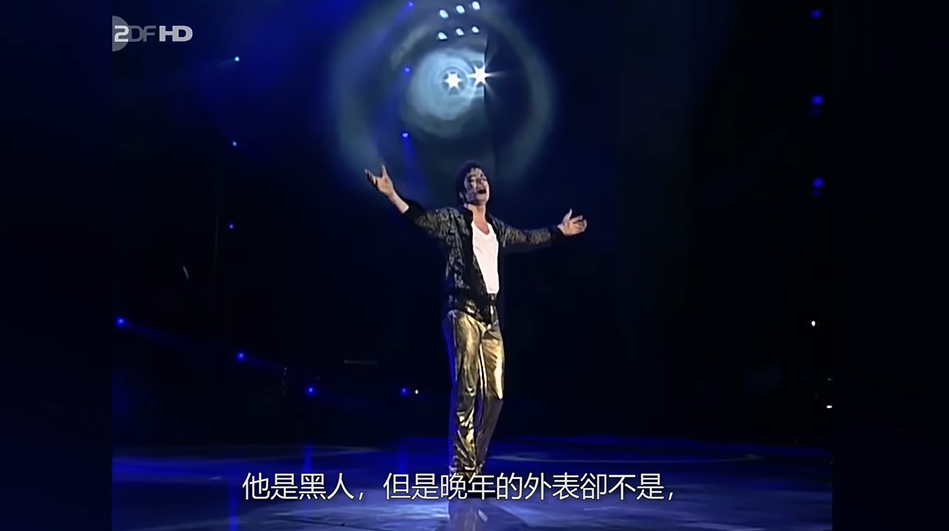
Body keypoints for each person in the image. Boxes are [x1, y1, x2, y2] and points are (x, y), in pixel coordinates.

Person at [365, 162, 587, 482]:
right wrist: (392, 195)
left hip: (491, 317)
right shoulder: (453, 219)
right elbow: (422, 220)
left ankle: (474, 467)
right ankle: (462, 472)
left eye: (482, 178)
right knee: (466, 391)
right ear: (462, 192)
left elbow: (526, 238)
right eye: (472, 180)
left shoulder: (496, 228)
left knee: (495, 395)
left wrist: (558, 231)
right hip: (461, 310)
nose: (479, 182)